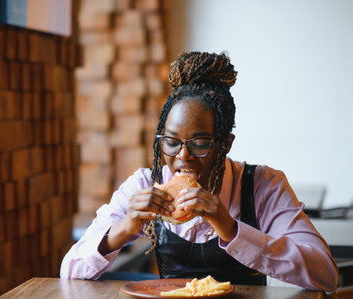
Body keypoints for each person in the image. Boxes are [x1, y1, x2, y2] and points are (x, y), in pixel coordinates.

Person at [60, 52, 338, 291]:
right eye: (171, 142)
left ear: (226, 144)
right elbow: (69, 273)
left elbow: (325, 273)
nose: (183, 156)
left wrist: (229, 227)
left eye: (200, 143)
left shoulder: (262, 185)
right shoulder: (144, 184)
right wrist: (123, 229)